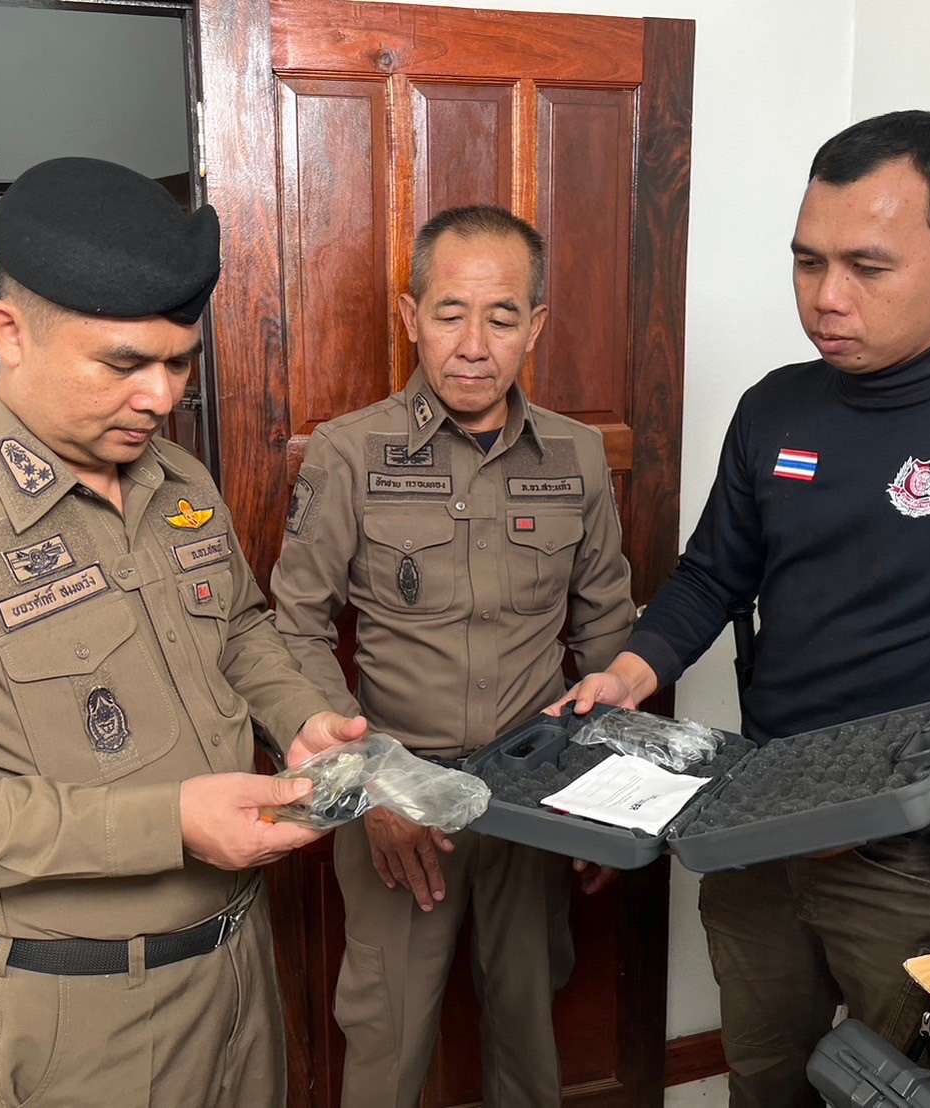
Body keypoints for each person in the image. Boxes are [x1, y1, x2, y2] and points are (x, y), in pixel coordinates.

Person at [556, 110, 930, 1106]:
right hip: (755, 831)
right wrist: (631, 672)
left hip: (918, 864)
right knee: (765, 1075)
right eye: (806, 260)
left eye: (867, 266)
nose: (826, 297)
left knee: (903, 1091)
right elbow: (712, 575)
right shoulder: (776, 408)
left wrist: (855, 817)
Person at [0, 157, 366, 1108]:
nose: (162, 397)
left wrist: (300, 717)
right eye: (124, 364)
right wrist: (165, 823)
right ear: (8, 335)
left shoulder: (177, 482)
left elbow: (238, 629)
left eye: (179, 362)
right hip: (80, 1014)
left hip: (238, 967)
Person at [272, 205, 636, 1106]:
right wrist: (370, 787)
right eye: (450, 314)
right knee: (387, 1042)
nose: (474, 346)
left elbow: (605, 627)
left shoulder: (578, 456)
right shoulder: (349, 453)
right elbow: (294, 630)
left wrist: (607, 798)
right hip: (400, 801)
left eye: (502, 317)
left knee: (529, 1030)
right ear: (411, 316)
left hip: (535, 794)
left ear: (534, 326)